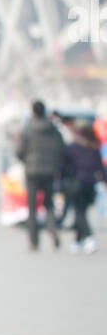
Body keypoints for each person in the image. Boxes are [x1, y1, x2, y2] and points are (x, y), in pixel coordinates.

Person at [17, 100, 65, 251]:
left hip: (32, 171)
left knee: (32, 207)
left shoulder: (27, 129)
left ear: (33, 112)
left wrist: (27, 160)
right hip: (50, 171)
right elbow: (61, 150)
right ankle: (53, 230)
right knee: (48, 203)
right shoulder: (54, 129)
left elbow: (19, 151)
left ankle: (34, 241)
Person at [62, 123, 105, 253]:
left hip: (76, 183)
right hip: (90, 184)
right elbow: (100, 167)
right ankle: (77, 241)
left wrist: (62, 181)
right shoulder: (94, 147)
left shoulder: (73, 147)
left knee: (79, 213)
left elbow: (64, 166)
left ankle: (89, 238)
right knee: (82, 212)